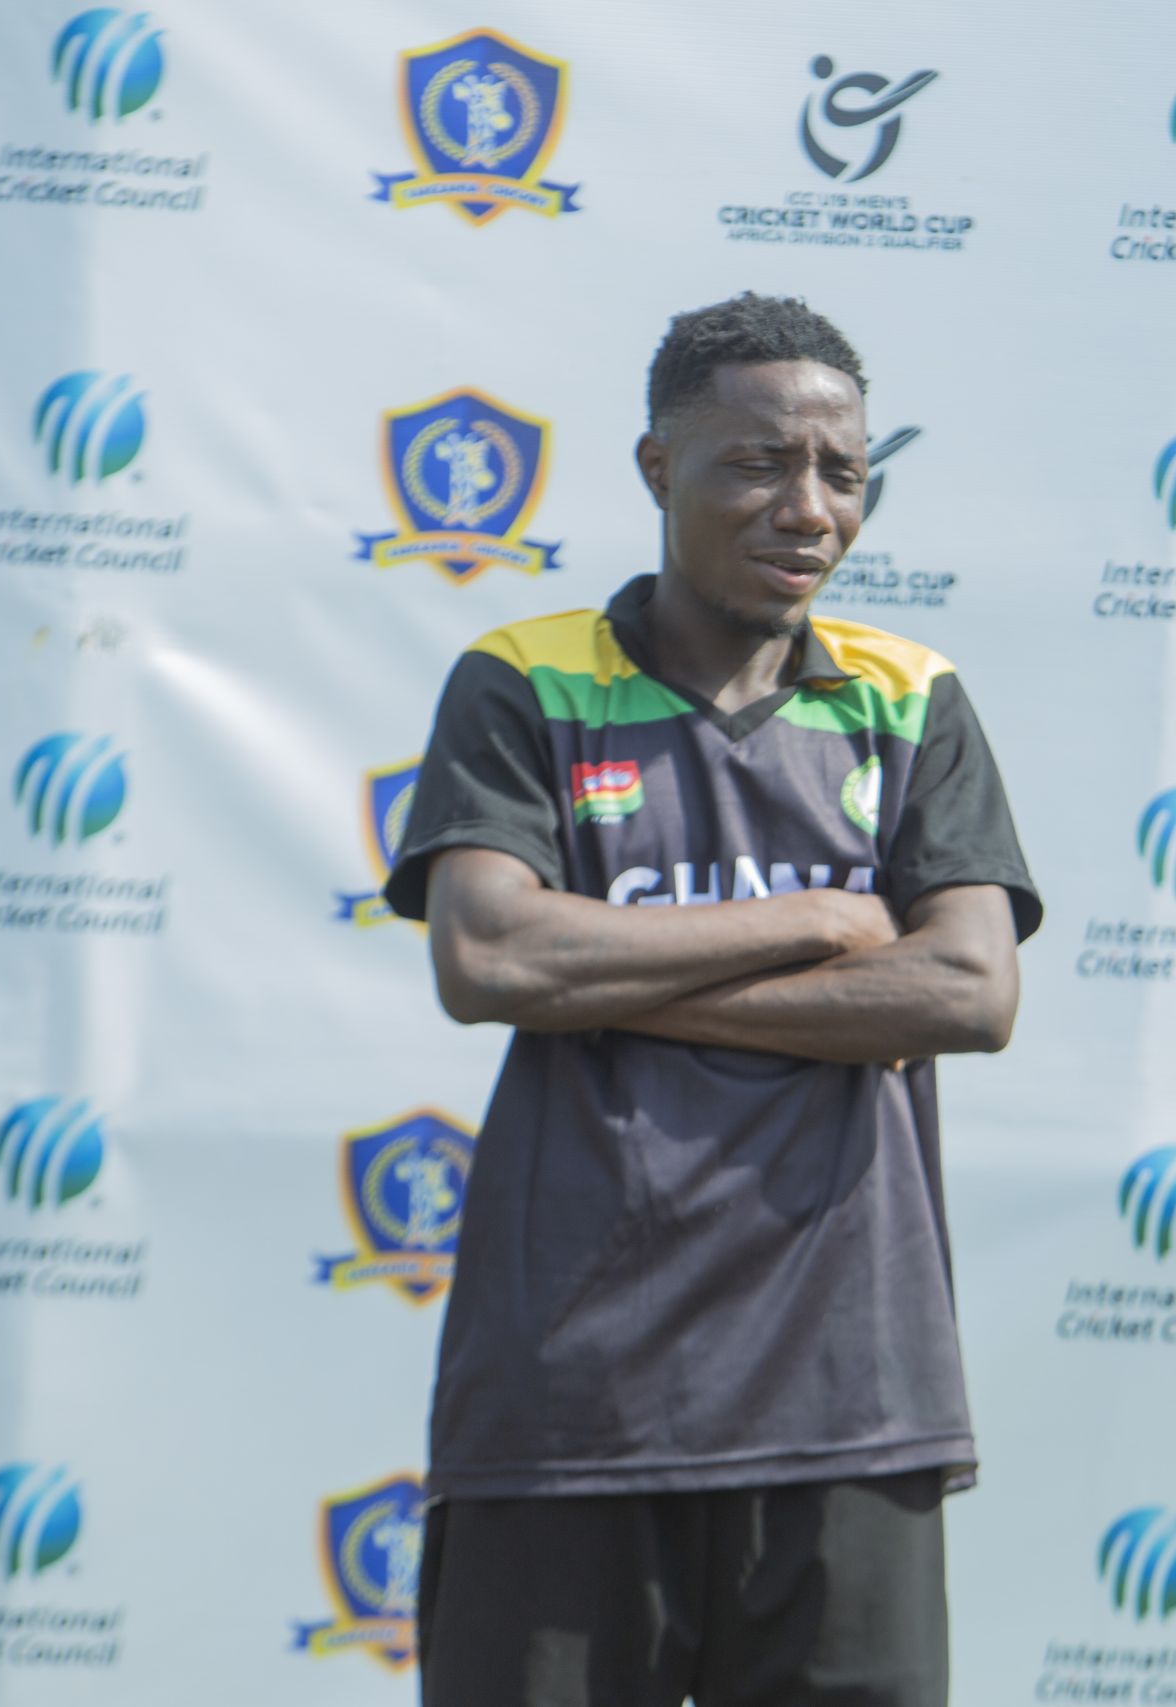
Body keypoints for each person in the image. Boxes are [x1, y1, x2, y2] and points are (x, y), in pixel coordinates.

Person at [384, 292, 1042, 1707]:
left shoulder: (910, 699)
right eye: (757, 463)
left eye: (843, 473)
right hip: (572, 1398)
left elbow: (970, 987)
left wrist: (606, 979)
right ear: (657, 466)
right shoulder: (523, 681)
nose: (808, 509)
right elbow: (490, 959)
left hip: (851, 1400)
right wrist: (815, 922)